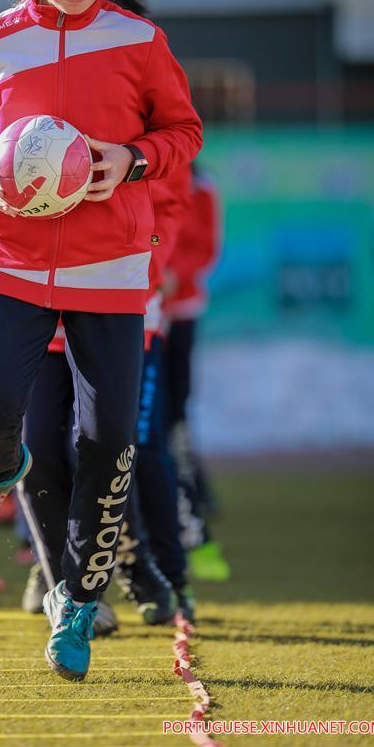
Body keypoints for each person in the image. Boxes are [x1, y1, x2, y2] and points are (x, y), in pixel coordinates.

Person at [0, 0, 202, 681]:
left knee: (107, 440)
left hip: (112, 266)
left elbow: (182, 132)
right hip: (12, 257)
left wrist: (130, 159)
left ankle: (77, 606)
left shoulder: (139, 41)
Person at [162, 164, 231, 581]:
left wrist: (173, 275)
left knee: (173, 412)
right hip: (137, 313)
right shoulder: (130, 168)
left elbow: (203, 247)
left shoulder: (200, 187)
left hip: (178, 312)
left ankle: (192, 498)